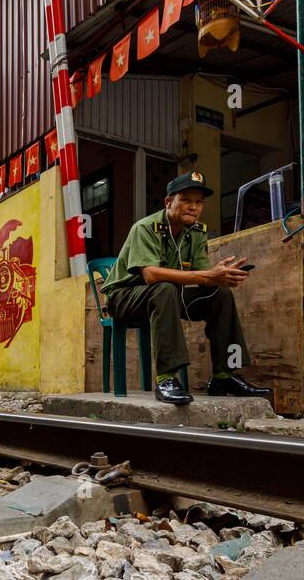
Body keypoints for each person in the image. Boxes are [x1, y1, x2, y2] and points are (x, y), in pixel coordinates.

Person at [101, 172, 271, 406]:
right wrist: (207, 275)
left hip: (167, 297)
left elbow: (203, 279)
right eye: (186, 200)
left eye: (199, 202)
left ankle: (224, 375)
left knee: (220, 295)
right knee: (164, 289)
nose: (194, 207)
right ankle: (166, 379)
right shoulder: (146, 228)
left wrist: (220, 276)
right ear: (169, 202)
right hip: (124, 298)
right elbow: (150, 275)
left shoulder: (197, 232)